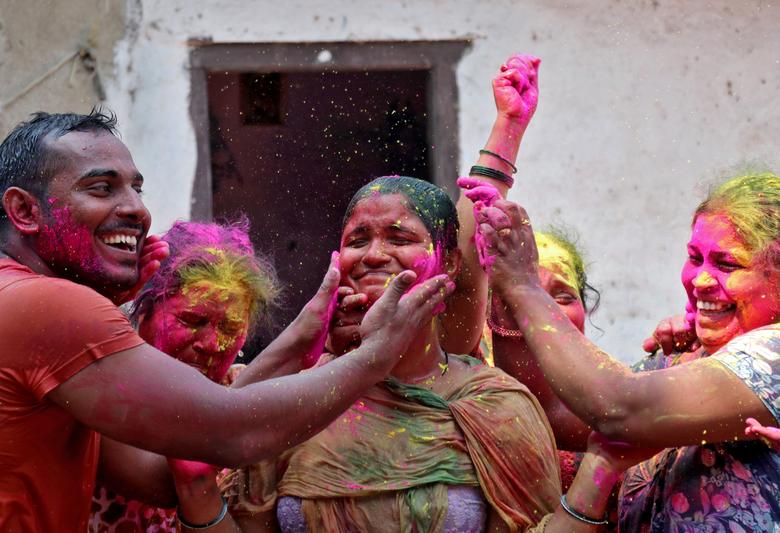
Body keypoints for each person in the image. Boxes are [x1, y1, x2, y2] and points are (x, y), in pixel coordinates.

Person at [0, 111, 453, 531]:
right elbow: (234, 433)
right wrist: (375, 356)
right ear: (23, 211)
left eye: (136, 188)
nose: (136, 209)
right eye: (101, 188)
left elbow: (164, 476)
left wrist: (298, 340)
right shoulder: (45, 305)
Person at [477, 172, 780, 530]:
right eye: (695, 258)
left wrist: (524, 287)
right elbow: (551, 413)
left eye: (728, 265)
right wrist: (507, 298)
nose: (700, 281)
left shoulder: (772, 356)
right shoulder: (682, 357)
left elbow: (616, 408)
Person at [89, 219, 282, 531]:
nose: (211, 345)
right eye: (192, 320)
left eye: (231, 328)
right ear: (145, 310)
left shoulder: (253, 400)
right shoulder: (97, 387)